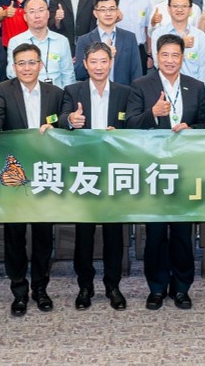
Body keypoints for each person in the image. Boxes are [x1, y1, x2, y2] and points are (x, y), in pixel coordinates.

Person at [126, 34, 205, 311]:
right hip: (153, 170)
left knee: (182, 233)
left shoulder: (195, 86)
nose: (170, 60)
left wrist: (191, 128)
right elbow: (130, 124)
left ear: (182, 58)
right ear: (156, 57)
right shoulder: (141, 85)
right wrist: (153, 113)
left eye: (175, 55)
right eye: (165, 55)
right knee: (155, 233)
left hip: (186, 170)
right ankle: (156, 287)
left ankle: (182, 287)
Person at [0, 42, 65, 316]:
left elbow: (64, 122)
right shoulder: (3, 89)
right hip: (16, 174)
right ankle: (19, 291)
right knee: (14, 236)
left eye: (32, 62)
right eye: (21, 63)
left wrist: (57, 125)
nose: (27, 68)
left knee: (43, 236)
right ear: (14, 66)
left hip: (44, 174)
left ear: (40, 65)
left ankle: (41, 289)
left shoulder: (55, 93)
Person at [59, 41, 136, 310]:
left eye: (104, 61)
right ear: (85, 64)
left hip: (114, 170)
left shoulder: (125, 92)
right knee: (84, 232)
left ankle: (113, 285)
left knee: (114, 232)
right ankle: (85, 286)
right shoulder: (73, 91)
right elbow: (61, 118)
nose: (99, 67)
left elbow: (134, 125)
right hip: (85, 171)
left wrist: (121, 133)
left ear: (111, 63)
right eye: (93, 62)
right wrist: (71, 121)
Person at [75, 0, 144, 86]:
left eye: (112, 9)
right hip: (94, 92)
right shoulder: (84, 40)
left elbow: (136, 71)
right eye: (103, 10)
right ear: (95, 13)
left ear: (118, 12)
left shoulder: (129, 38)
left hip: (124, 92)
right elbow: (78, 74)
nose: (108, 13)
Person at [6, 0, 75, 87]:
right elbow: (11, 73)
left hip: (57, 92)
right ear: (25, 17)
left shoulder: (62, 41)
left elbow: (68, 75)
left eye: (41, 10)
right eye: (32, 12)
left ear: (48, 14)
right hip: (26, 91)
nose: (37, 16)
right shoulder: (16, 42)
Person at [150, 0, 205, 84]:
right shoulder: (158, 34)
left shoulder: (199, 36)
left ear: (190, 10)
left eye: (184, 6)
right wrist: (181, 44)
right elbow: (158, 63)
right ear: (168, 9)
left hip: (193, 87)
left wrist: (201, 90)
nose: (179, 9)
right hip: (166, 86)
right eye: (175, 6)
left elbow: (203, 68)